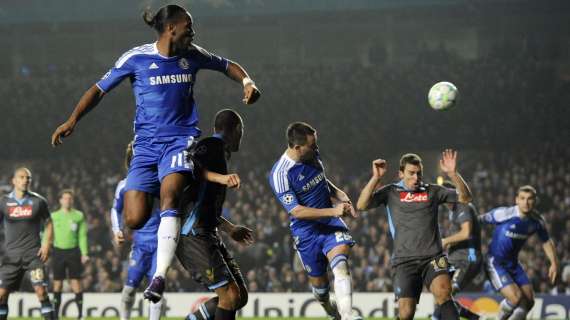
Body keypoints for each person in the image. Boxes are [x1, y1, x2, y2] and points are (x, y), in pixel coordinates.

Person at [50, 4, 258, 302]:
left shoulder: (193, 55)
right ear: (171, 27)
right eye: (189, 25)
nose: (193, 30)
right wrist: (72, 120)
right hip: (145, 146)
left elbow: (228, 66)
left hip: (180, 140)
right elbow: (98, 89)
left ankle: (158, 276)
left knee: (170, 195)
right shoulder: (136, 58)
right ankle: (167, 233)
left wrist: (247, 82)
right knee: (135, 219)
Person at [356, 150, 472, 320]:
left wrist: (453, 174)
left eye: (419, 173)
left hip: (433, 257)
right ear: (401, 173)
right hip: (404, 260)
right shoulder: (391, 192)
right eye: (411, 173)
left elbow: (466, 198)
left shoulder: (433, 191)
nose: (416, 177)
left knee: (444, 295)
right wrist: (376, 178)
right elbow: (361, 205)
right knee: (406, 313)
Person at [269, 122, 360, 320]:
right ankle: (330, 311)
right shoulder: (280, 174)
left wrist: (339, 194)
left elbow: (321, 179)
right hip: (306, 232)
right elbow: (297, 211)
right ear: (297, 148)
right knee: (321, 290)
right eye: (312, 146)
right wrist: (334, 210)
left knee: (341, 265)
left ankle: (347, 315)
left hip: (329, 225)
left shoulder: (312, 155)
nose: (317, 149)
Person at [177, 109, 253, 320]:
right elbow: (191, 169)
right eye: (241, 131)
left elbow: (204, 203)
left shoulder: (218, 151)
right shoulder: (210, 145)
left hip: (207, 231)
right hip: (193, 233)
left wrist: (230, 228)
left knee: (239, 296)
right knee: (229, 295)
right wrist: (221, 178)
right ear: (237, 129)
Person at [481, 185, 559, 320]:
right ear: (516, 200)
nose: (526, 202)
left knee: (529, 301)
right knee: (516, 298)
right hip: (495, 263)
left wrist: (554, 263)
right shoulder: (504, 214)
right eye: (522, 198)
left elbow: (546, 241)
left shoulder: (537, 221)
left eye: (530, 199)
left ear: (535, 201)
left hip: (513, 264)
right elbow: (478, 220)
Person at [111, 142, 163, 320]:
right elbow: (115, 209)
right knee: (129, 290)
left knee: (155, 292)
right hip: (140, 246)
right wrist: (117, 230)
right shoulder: (125, 185)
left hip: (159, 245)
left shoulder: (160, 181)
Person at [0, 167, 55, 320]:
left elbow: (49, 223)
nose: (25, 180)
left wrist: (46, 244)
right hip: (11, 257)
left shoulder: (39, 201)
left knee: (41, 292)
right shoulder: (4, 202)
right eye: (22, 177)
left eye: (28, 178)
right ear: (14, 181)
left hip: (33, 255)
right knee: (2, 295)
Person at [432, 181, 481, 320]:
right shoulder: (452, 211)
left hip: (467, 259)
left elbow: (466, 233)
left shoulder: (462, 207)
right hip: (455, 258)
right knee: (440, 291)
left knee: (447, 292)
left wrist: (446, 241)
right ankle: (472, 316)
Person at [50, 189, 89, 320]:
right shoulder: (54, 216)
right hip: (58, 251)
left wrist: (84, 253)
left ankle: (80, 315)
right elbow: (47, 234)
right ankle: (55, 315)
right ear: (60, 200)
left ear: (72, 200)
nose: (67, 200)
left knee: (76, 283)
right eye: (65, 198)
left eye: (70, 198)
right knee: (57, 284)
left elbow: (82, 236)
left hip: (73, 252)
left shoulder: (79, 216)